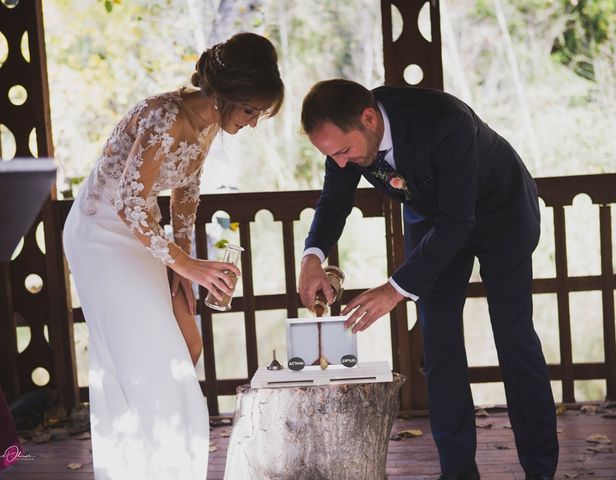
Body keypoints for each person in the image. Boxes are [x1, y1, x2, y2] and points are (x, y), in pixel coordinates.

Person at [297, 79, 558, 480]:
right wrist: (313, 257)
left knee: (514, 337)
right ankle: (457, 473)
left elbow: (459, 222)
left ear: (369, 119)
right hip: (435, 221)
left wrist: (394, 289)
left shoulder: (444, 120)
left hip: (500, 213)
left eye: (345, 151)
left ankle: (540, 470)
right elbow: (334, 200)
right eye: (332, 157)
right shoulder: (345, 143)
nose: (342, 164)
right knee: (439, 346)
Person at [63, 32, 284, 480]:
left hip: (143, 233)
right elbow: (128, 200)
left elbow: (185, 193)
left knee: (189, 343)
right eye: (250, 110)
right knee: (154, 358)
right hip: (101, 232)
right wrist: (187, 265)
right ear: (224, 96)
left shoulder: (206, 124)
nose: (253, 122)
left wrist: (183, 263)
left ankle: (154, 462)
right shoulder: (163, 115)